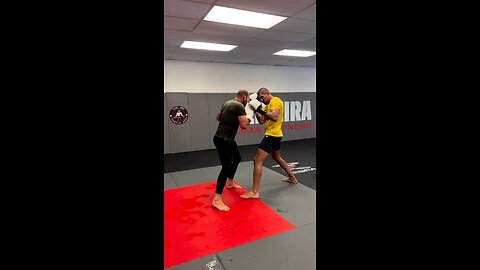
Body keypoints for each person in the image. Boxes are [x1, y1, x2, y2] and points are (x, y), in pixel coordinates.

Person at [241, 87, 298, 199]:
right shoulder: (267, 106)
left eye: (262, 97)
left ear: (267, 93)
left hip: (272, 135)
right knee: (277, 158)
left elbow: (274, 117)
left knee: (257, 159)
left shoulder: (275, 100)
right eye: (260, 99)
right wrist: (256, 109)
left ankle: (254, 191)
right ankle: (292, 178)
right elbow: (262, 120)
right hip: (275, 135)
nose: (261, 100)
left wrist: (260, 108)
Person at [212, 89, 256, 211]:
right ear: (245, 98)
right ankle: (217, 199)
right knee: (226, 167)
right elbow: (244, 126)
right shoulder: (239, 106)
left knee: (237, 158)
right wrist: (250, 114)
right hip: (224, 140)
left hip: (222, 138)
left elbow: (218, 117)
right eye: (246, 100)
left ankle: (230, 182)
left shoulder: (227, 103)